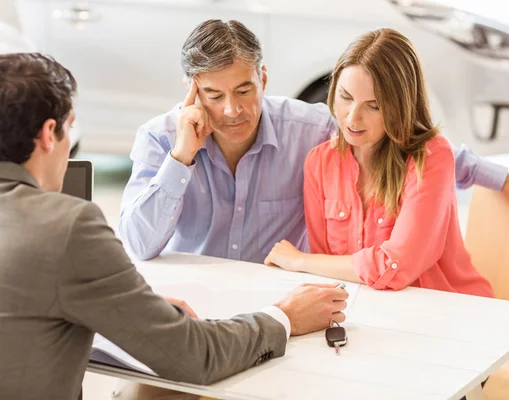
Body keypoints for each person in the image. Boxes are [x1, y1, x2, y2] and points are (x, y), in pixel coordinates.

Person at [0, 52, 348, 400]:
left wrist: (130, 307)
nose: (231, 110)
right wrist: (285, 317)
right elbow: (194, 355)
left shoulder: (312, 129)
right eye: (69, 128)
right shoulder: (69, 227)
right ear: (49, 134)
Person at [119, 19, 509, 265]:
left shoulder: (310, 129)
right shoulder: (160, 139)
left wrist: (501, 178)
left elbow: (406, 141)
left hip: (280, 310)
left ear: (263, 78)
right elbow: (139, 244)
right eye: (214, 96)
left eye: (244, 90)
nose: (233, 110)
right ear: (191, 91)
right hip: (197, 306)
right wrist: (182, 157)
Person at [264, 28, 494, 299]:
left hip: (449, 311)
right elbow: (324, 269)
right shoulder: (320, 162)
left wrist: (299, 260)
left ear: (400, 107)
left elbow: (396, 267)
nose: (352, 119)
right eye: (346, 97)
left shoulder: (431, 157)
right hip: (369, 315)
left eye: (373, 106)